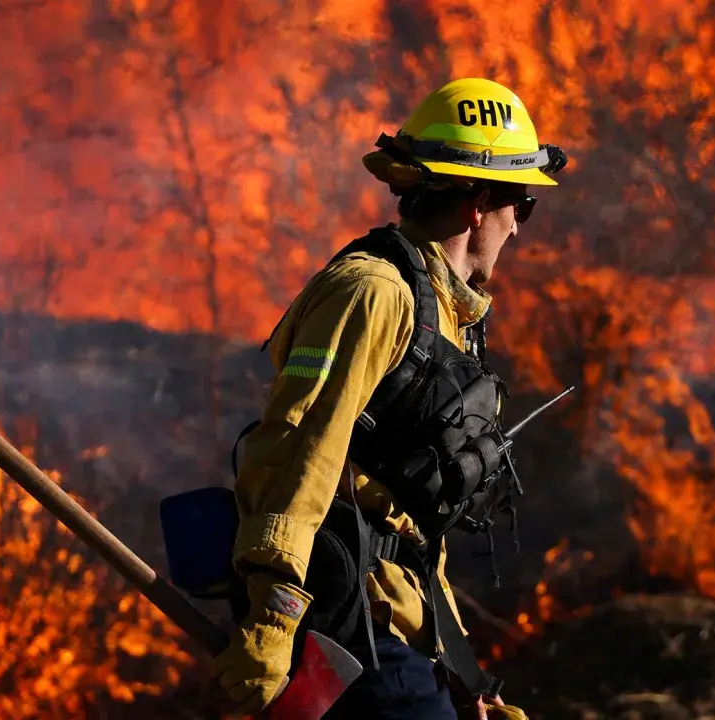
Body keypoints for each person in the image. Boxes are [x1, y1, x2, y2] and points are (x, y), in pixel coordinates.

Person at [210, 77, 567, 719]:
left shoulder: (448, 319)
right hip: (345, 632)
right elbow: (297, 456)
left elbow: (408, 531)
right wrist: (272, 620)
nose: (519, 228)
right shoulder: (374, 294)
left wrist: (462, 677)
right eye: (523, 205)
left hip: (395, 630)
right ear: (479, 202)